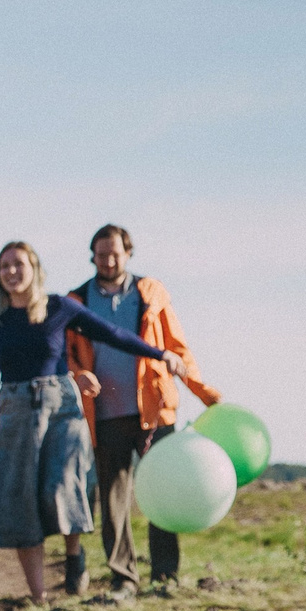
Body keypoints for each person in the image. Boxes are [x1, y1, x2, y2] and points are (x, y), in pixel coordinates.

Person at [0, 240, 184, 603]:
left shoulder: (58, 307)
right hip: (16, 410)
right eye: (4, 266)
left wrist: (160, 354)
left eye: (19, 264)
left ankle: (73, 554)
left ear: (34, 268)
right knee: (22, 504)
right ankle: (39, 597)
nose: (12, 272)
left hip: (60, 408)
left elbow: (112, 334)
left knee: (59, 486)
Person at [68, 224, 221, 592]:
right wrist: (79, 374)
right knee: (113, 501)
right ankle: (124, 579)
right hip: (104, 414)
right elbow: (66, 357)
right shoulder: (76, 302)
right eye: (101, 254)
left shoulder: (151, 293)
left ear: (128, 254)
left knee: (163, 493)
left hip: (154, 411)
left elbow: (177, 348)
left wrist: (206, 395)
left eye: (115, 253)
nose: (108, 260)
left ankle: (165, 575)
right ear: (92, 256)